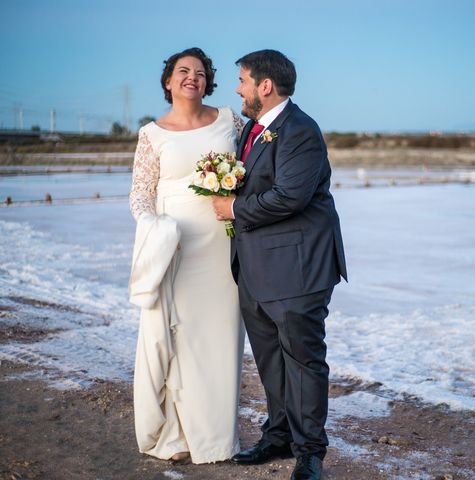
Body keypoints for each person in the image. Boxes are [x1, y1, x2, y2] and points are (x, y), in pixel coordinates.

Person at [212, 49, 347, 480]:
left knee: (304, 360)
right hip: (255, 267)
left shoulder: (300, 131)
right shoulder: (253, 128)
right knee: (270, 358)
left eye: (242, 80)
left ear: (264, 86)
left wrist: (233, 208)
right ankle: (278, 435)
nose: (238, 88)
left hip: (298, 267)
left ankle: (310, 452)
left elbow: (290, 196)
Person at [129, 47, 245, 464]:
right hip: (175, 248)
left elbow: (261, 160)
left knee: (220, 339)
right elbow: (140, 196)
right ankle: (176, 435)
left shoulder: (231, 120)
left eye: (200, 72)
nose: (192, 77)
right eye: (183, 71)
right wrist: (157, 229)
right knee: (177, 337)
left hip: (223, 244)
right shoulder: (152, 134)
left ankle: (217, 440)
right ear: (168, 81)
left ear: (208, 81)